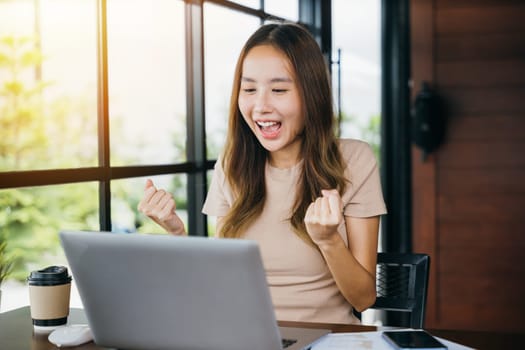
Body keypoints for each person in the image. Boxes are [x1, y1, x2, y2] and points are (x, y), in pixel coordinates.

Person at [138, 22, 387, 324]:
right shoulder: (232, 164)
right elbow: (218, 288)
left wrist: (329, 240)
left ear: (312, 94)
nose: (260, 106)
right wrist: (177, 233)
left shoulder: (352, 160)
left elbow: (363, 297)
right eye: (249, 89)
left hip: (326, 341)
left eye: (279, 90)